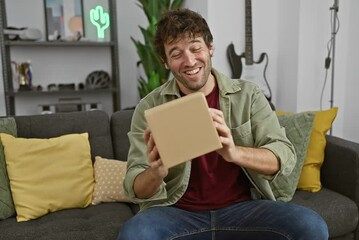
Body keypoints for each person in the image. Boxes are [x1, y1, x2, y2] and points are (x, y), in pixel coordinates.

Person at [118, 8, 328, 240]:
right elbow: (135, 186)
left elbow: (283, 155)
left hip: (242, 211)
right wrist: (156, 172)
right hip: (176, 214)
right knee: (134, 234)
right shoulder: (149, 107)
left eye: (196, 48)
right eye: (176, 53)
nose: (189, 61)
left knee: (311, 225)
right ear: (165, 62)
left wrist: (234, 153)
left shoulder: (248, 95)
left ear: (210, 48)